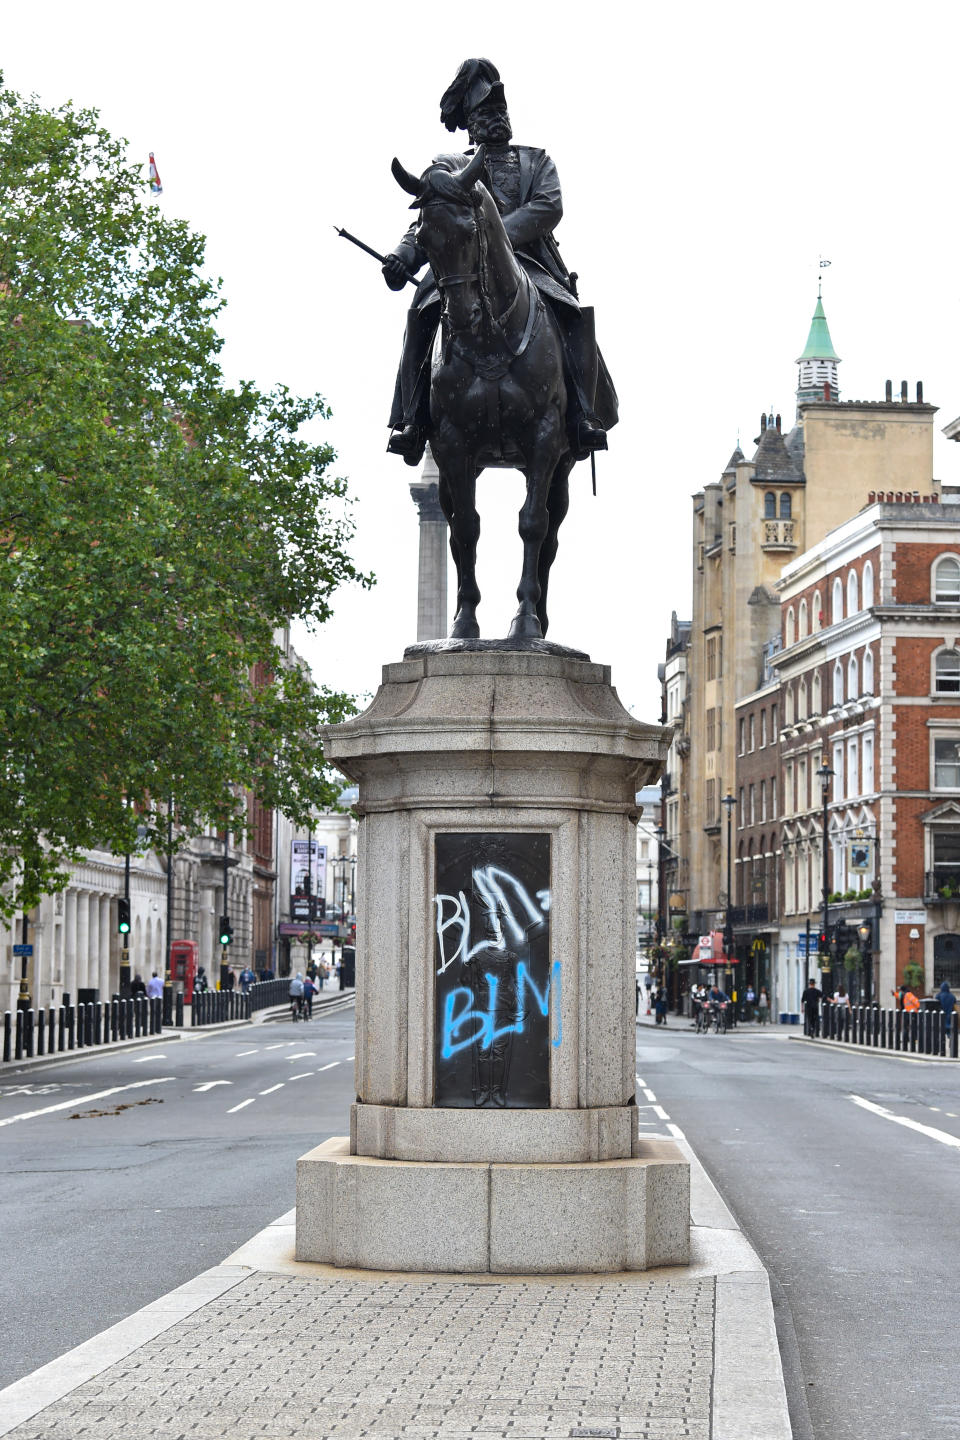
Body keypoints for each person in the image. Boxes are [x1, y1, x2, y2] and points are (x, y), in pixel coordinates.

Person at [383, 57, 617, 466]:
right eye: (486, 114)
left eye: (500, 112)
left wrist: (495, 235)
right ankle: (412, 420)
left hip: (530, 265)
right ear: (471, 123)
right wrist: (404, 255)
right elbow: (430, 217)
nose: (496, 120)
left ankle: (583, 413)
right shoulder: (450, 166)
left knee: (573, 314)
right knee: (420, 314)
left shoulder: (536, 161)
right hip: (461, 267)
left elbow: (548, 207)